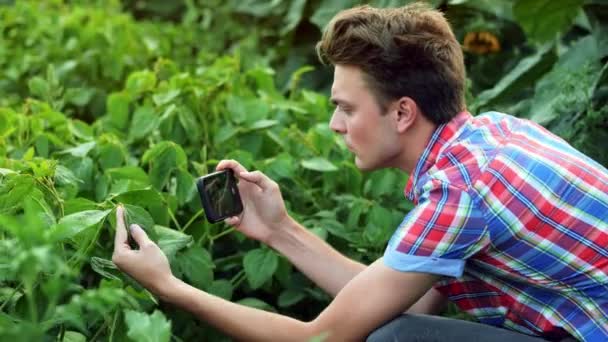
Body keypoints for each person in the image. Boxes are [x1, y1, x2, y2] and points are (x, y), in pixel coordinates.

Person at [112, 3, 608, 341]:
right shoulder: (491, 135)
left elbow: (323, 336)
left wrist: (171, 287)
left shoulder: (460, 195)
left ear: (402, 113)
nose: (334, 125)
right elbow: (408, 300)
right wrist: (280, 230)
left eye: (347, 109)